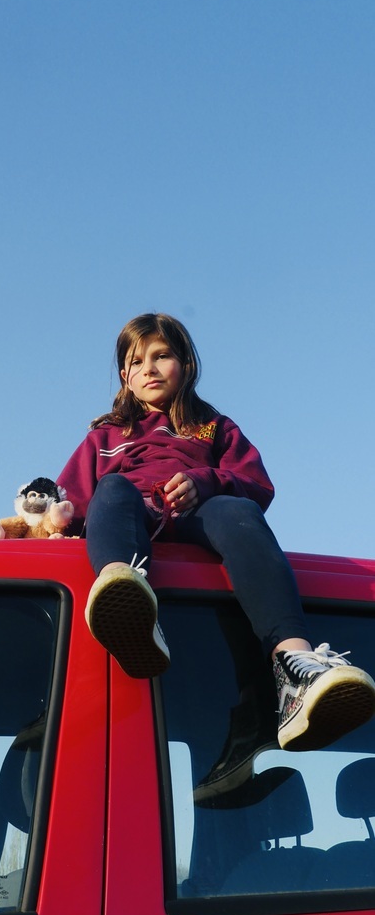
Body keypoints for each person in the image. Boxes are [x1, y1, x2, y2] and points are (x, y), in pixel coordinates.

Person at [57, 313, 375, 795]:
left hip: (198, 517)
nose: (149, 368)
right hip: (132, 520)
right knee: (114, 490)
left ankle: (296, 671)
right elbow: (71, 503)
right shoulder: (104, 437)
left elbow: (257, 484)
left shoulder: (213, 427)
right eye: (136, 361)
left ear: (185, 364)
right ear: (124, 375)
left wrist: (206, 481)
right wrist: (47, 518)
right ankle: (129, 597)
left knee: (235, 511)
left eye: (161, 355)